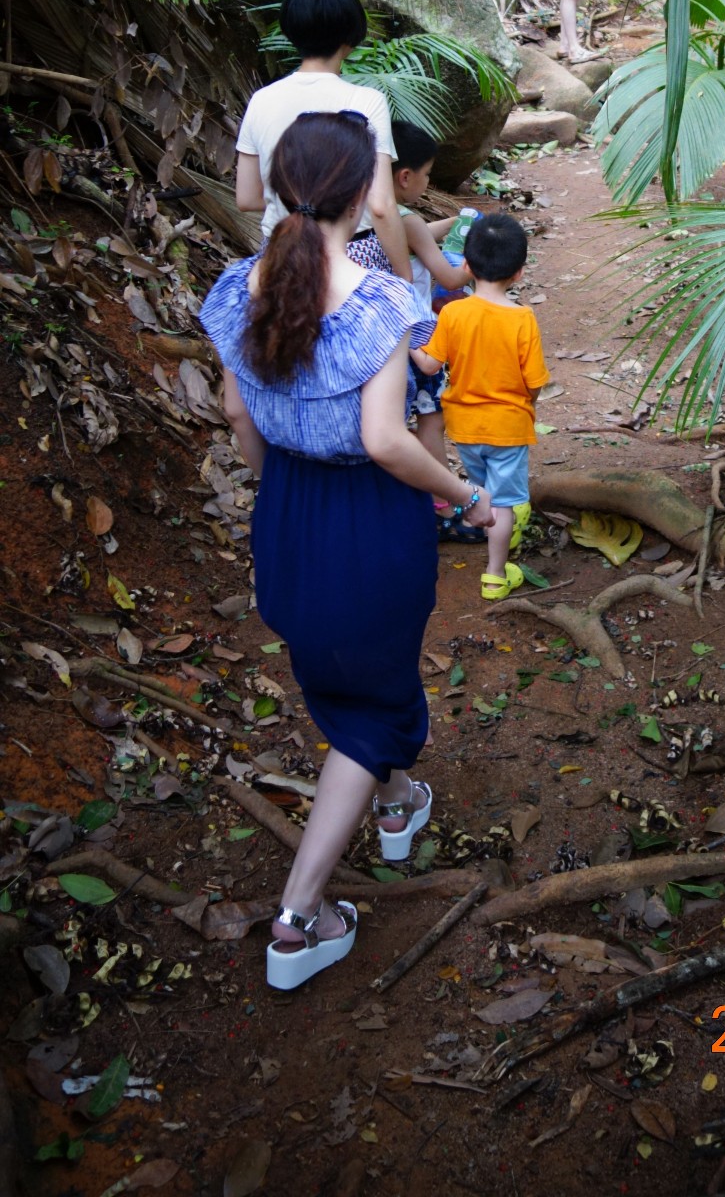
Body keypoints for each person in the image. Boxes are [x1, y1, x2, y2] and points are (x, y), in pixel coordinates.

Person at [200, 111, 493, 991]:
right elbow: (384, 441)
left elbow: (237, 418)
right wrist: (465, 493)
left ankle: (398, 803)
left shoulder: (241, 286)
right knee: (372, 709)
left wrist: (276, 485)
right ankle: (299, 918)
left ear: (285, 185)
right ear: (365, 190)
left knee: (347, 674)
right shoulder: (381, 305)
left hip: (289, 514)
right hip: (367, 520)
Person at [234, 0, 410, 281]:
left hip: (279, 253)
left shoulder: (261, 100)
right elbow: (380, 204)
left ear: (291, 31)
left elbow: (247, 198)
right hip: (352, 255)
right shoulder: (367, 102)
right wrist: (405, 277)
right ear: (350, 37)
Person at [412, 212, 547, 602]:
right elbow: (535, 383)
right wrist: (524, 405)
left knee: (483, 489)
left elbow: (429, 364)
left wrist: (405, 341)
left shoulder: (453, 313)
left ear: (467, 266)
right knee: (502, 504)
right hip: (507, 427)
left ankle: (488, 521)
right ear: (519, 273)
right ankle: (494, 575)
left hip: (464, 428)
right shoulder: (523, 319)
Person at [388, 119, 471, 479]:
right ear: (405, 177)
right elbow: (451, 277)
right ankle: (441, 494)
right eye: (427, 173)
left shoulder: (362, 209)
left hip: (379, 333)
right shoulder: (406, 220)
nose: (428, 181)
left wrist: (454, 223)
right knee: (431, 418)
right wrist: (479, 261)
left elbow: (419, 238)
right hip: (417, 334)